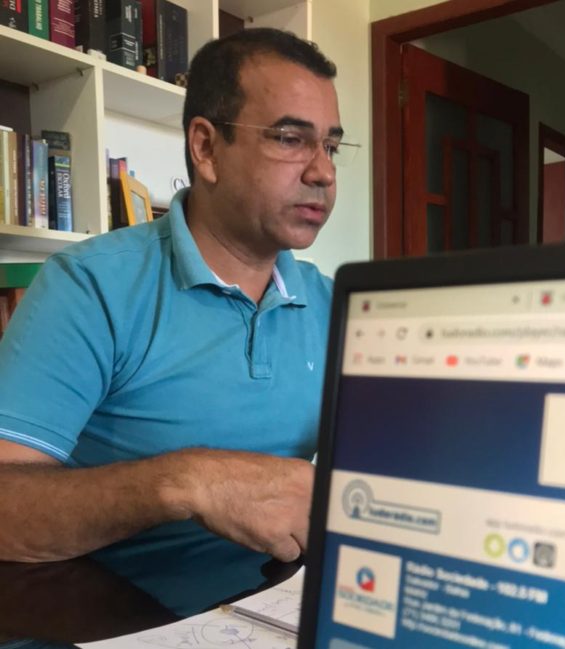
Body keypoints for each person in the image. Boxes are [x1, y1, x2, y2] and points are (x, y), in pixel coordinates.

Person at [0, 28, 350, 614]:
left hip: (282, 609)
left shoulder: (334, 303)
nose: (323, 172)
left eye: (331, 146)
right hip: (112, 620)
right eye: (291, 139)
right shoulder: (91, 286)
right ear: (206, 148)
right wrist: (186, 481)